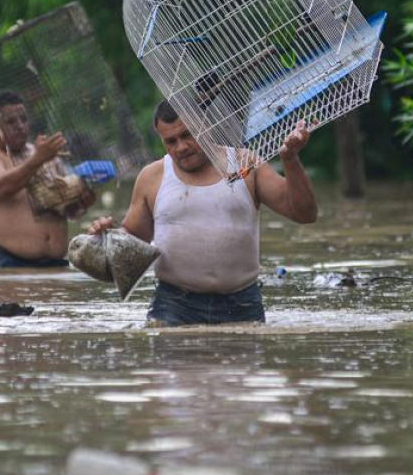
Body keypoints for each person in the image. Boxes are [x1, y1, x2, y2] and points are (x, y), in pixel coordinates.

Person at [88, 99, 317, 326]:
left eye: (188, 135)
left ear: (207, 128)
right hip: (174, 304)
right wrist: (108, 235)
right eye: (171, 141)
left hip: (242, 303)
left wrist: (291, 160)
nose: (181, 147)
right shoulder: (152, 177)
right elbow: (133, 241)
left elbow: (305, 214)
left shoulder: (245, 164)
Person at [0, 89, 95, 268]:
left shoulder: (44, 154)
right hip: (9, 265)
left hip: (57, 264)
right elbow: (3, 187)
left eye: (23, 119)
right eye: (11, 121)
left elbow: (66, 210)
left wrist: (80, 204)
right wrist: (37, 160)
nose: (20, 126)